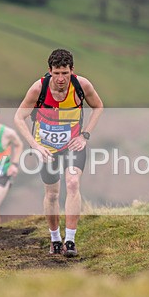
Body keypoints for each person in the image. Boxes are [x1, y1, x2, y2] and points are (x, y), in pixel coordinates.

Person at [14, 48, 104, 257]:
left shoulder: (82, 85)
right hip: (46, 149)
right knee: (52, 194)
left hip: (72, 145)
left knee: (72, 183)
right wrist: (35, 146)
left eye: (65, 73)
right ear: (50, 71)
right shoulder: (38, 89)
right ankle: (55, 239)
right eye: (56, 73)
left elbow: (98, 106)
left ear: (72, 71)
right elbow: (19, 118)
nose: (61, 78)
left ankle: (70, 240)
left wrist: (85, 135)